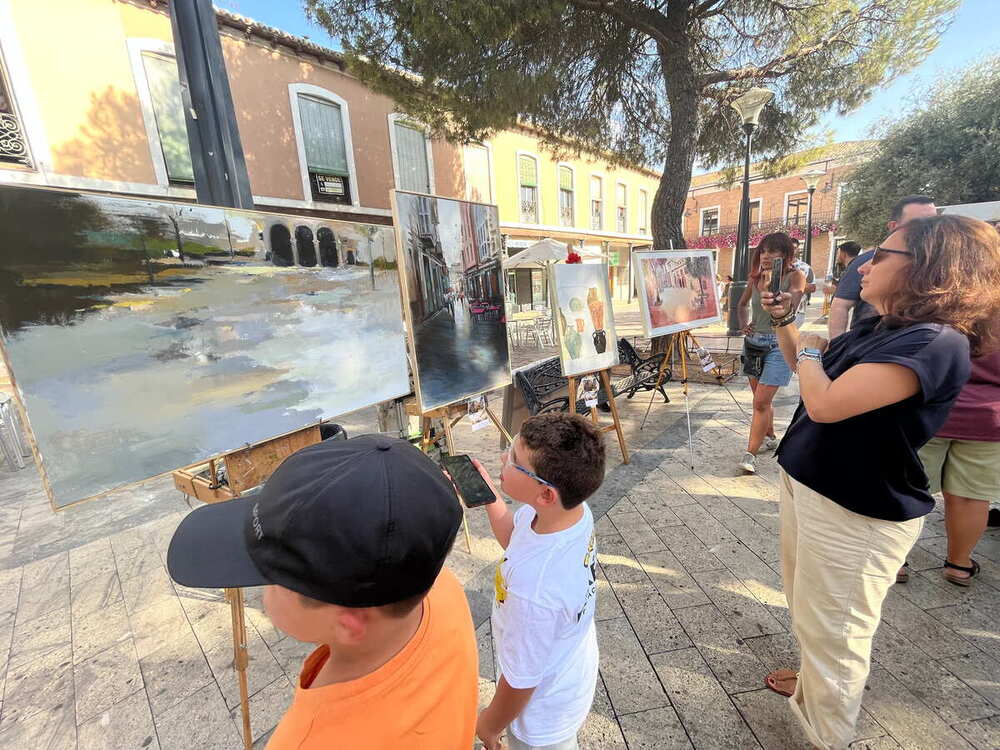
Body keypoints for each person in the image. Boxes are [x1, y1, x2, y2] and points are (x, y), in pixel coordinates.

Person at [760, 214, 1000, 749]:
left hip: (857, 509)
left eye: (883, 254)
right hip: (816, 486)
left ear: (930, 268)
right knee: (809, 608)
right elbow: (809, 369)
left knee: (838, 632)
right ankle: (814, 686)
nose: (864, 263)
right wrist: (787, 326)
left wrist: (813, 349)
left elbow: (823, 402)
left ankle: (827, 733)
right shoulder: (884, 326)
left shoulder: (935, 342)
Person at [165, 435, 478, 749]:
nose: (261, 592)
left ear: (349, 624)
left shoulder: (305, 740)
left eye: (271, 577)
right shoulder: (442, 589)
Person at [474, 413, 604, 750]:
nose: (504, 457)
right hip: (566, 670)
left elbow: (519, 683)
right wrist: (491, 496)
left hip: (541, 717)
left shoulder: (535, 591)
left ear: (545, 494)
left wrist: (489, 725)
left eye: (514, 459)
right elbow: (515, 540)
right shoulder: (569, 514)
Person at [917, 351, 1000, 585]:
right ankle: (959, 564)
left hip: (930, 408)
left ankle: (896, 563)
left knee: (907, 487)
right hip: (989, 416)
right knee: (971, 497)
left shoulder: (945, 312)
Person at [736, 232, 806, 474]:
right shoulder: (754, 278)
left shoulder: (796, 276)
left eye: (773, 251)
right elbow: (741, 304)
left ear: (786, 254)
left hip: (779, 345)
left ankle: (750, 454)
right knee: (761, 400)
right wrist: (743, 323)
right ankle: (771, 436)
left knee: (760, 402)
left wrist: (781, 296)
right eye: (763, 251)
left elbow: (793, 298)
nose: (766, 256)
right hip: (753, 343)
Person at [829, 195, 937, 338]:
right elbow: (840, 305)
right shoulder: (866, 260)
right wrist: (837, 347)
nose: (927, 229)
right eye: (916, 224)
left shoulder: (943, 264)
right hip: (868, 345)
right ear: (893, 226)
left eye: (933, 222)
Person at [792, 240, 817, 327]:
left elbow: (813, 287)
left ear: (798, 249)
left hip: (798, 312)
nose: (791, 250)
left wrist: (793, 283)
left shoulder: (805, 267)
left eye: (794, 248)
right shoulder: (777, 266)